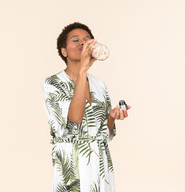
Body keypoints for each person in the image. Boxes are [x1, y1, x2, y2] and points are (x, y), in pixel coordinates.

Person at [42, 22, 131, 192]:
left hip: (99, 160)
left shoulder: (99, 84)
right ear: (64, 51)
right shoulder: (52, 83)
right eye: (75, 40)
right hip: (72, 161)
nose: (83, 43)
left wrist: (111, 116)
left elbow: (104, 133)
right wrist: (83, 70)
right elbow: (74, 119)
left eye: (87, 39)